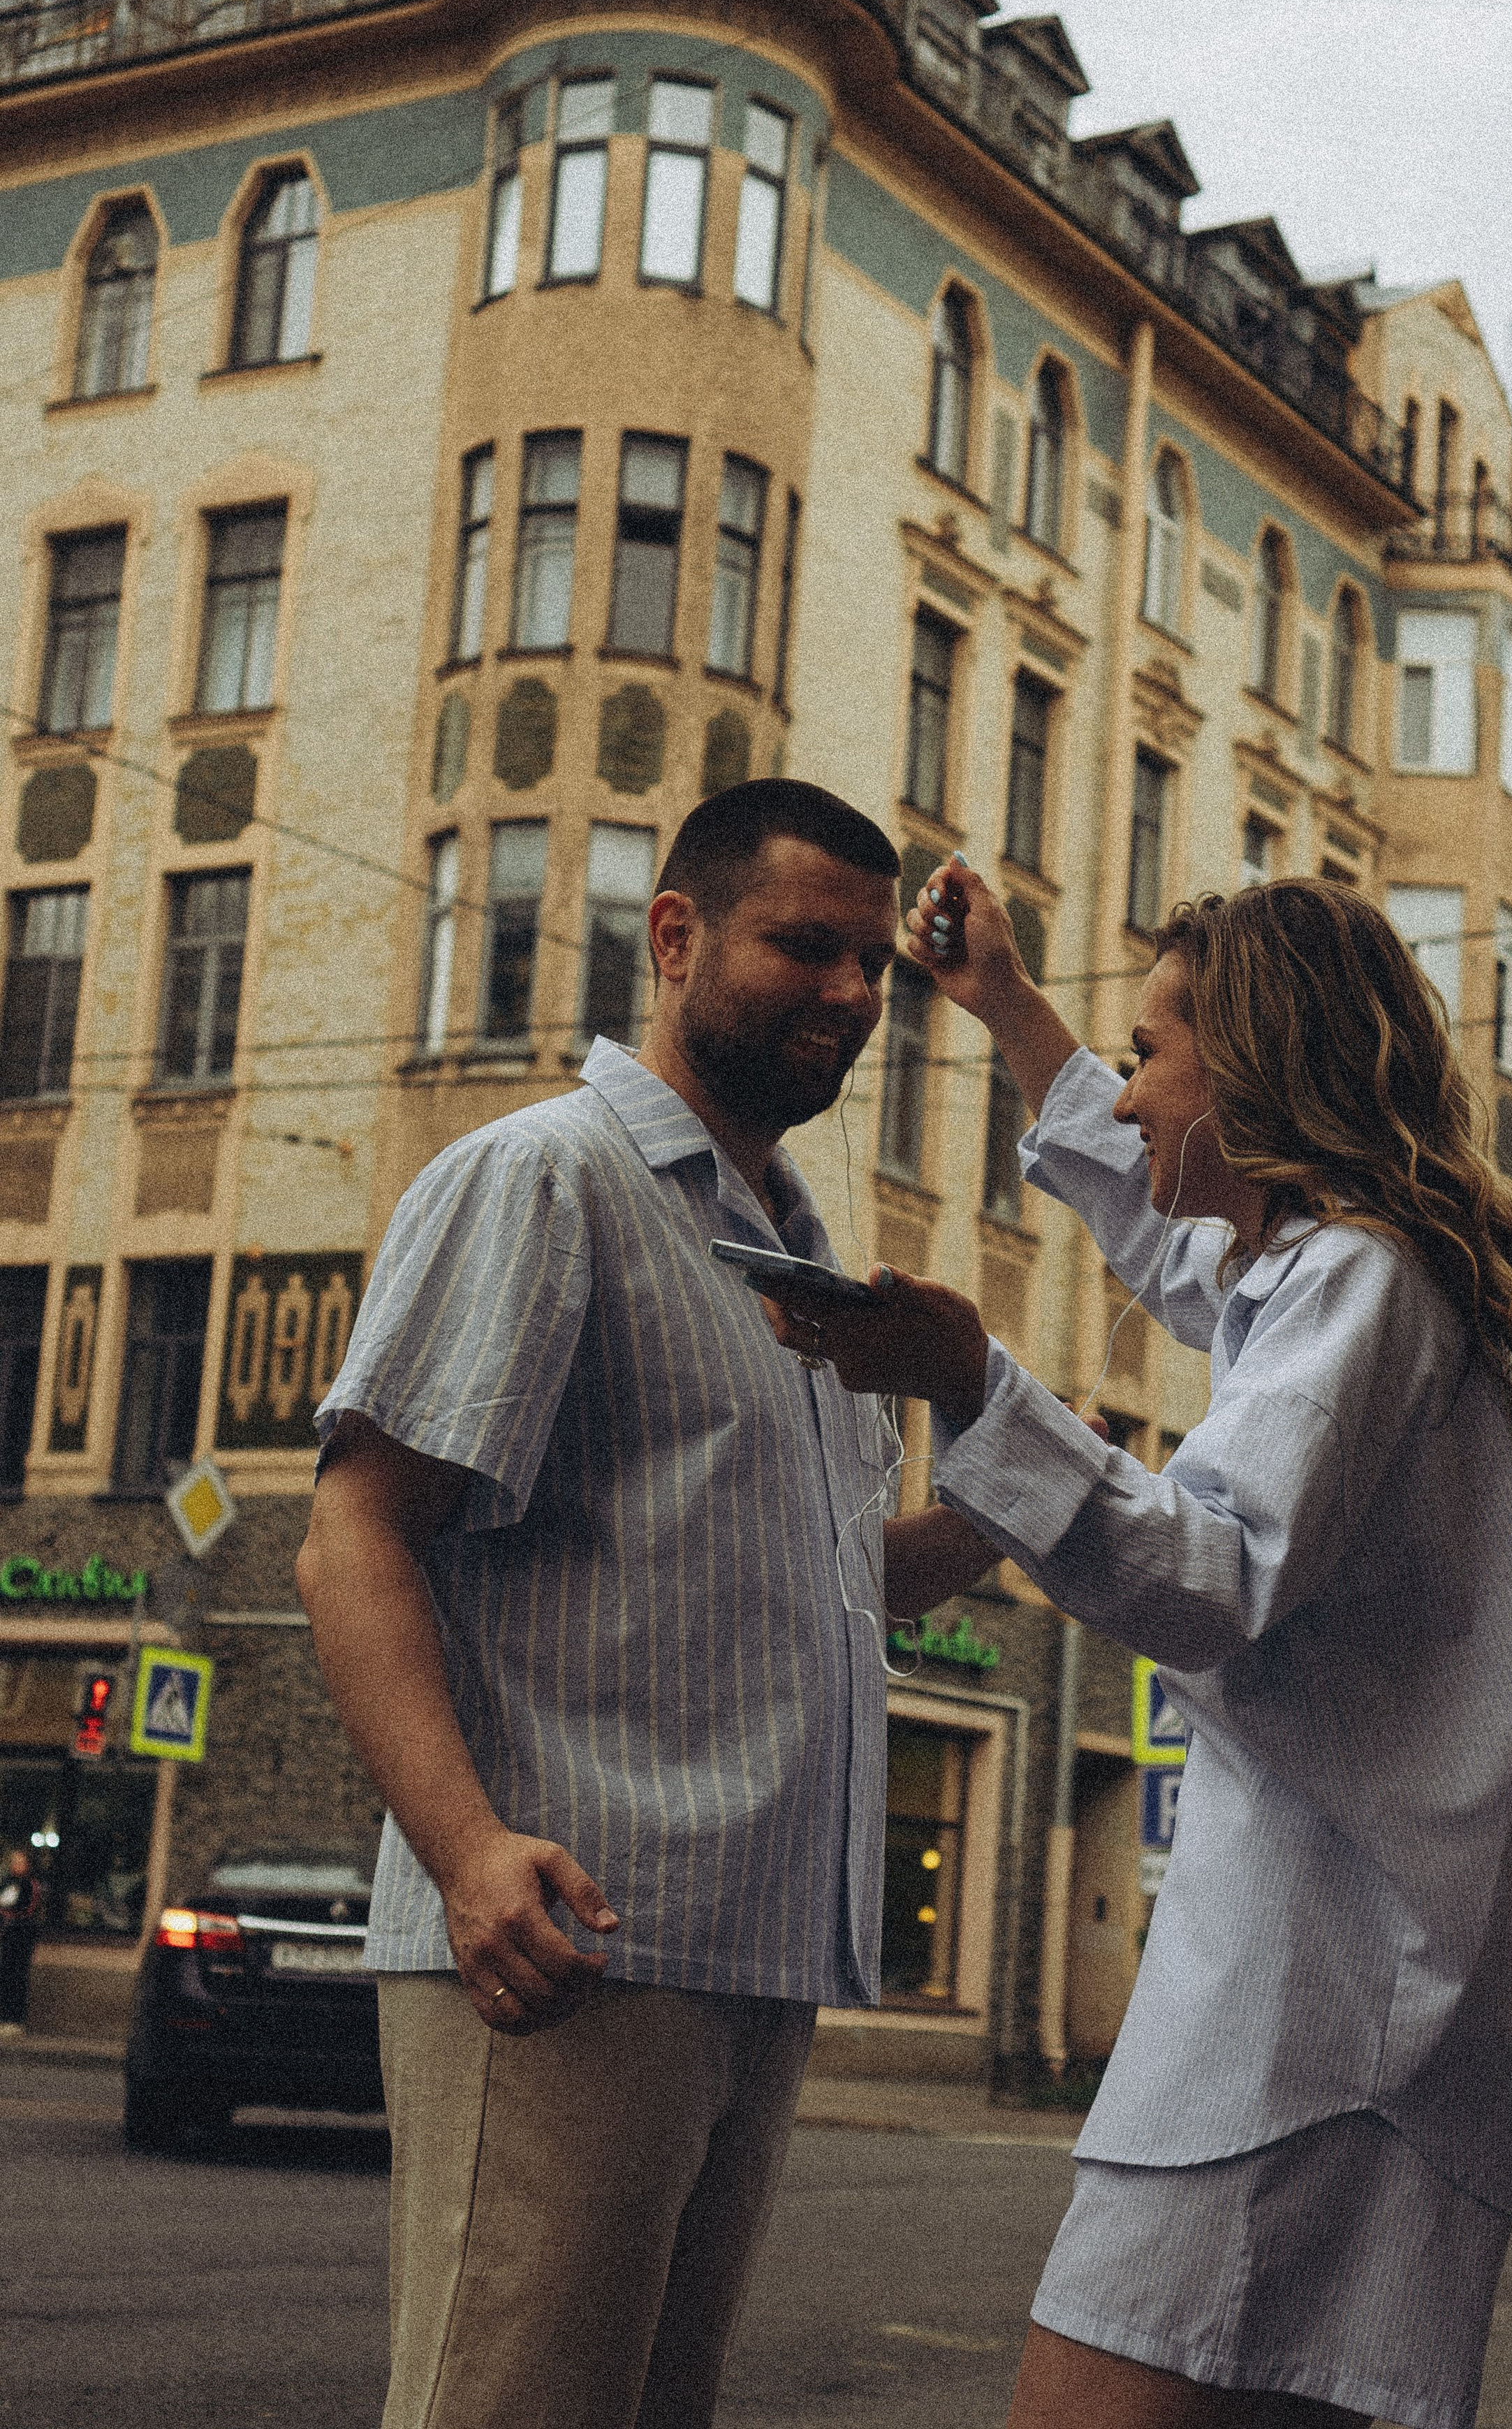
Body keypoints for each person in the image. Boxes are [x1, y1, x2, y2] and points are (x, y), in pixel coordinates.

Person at [776, 866, 1512, 2429]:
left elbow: (1209, 1575)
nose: (1126, 1095)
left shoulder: (1355, 1281)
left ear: (1257, 1070)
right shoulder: (1332, 1275)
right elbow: (1164, 1237)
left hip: (1310, 2016)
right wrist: (1007, 1006)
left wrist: (970, 1381)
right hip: (1365, 2000)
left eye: (1149, 1054)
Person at [296, 779, 992, 2429]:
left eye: (873, 966)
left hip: (747, 1956)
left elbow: (818, 1587)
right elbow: (352, 1536)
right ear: (672, 937)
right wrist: (468, 1851)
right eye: (803, 946)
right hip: (568, 1944)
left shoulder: (799, 1257)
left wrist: (1015, 1500)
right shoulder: (547, 1175)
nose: (847, 994)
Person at [0, 1845, 43, 2034]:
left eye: (20, 1861)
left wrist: (7, 1914)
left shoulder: (31, 1884)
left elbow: (29, 1909)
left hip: (21, 1936)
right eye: (14, 1861)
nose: (16, 1865)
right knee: (4, 1975)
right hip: (6, 1935)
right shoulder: (7, 1882)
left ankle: (15, 2019)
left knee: (16, 1976)